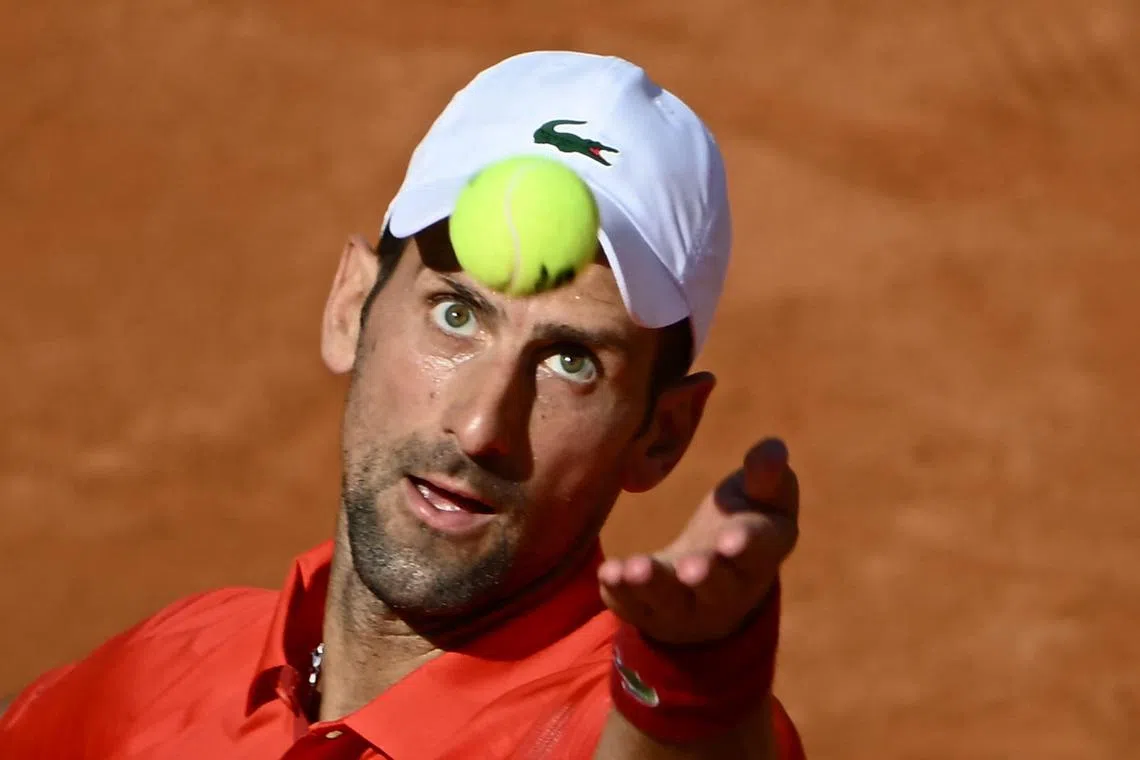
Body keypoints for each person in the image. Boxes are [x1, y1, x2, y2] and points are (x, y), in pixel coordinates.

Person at [0, 50, 806, 759]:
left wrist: (695, 683)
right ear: (351, 307)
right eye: (456, 314)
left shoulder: (636, 727)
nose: (482, 427)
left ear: (661, 435)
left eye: (571, 362)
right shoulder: (165, 671)